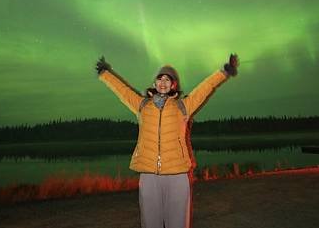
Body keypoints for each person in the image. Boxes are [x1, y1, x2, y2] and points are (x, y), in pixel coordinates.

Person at [96, 54, 239, 228]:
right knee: (150, 223)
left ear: (173, 85)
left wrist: (223, 72)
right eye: (160, 78)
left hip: (177, 174)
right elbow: (122, 91)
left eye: (167, 79)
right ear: (155, 83)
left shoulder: (183, 106)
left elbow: (205, 88)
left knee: (178, 223)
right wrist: (105, 74)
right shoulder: (142, 106)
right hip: (149, 175)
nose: (163, 82)